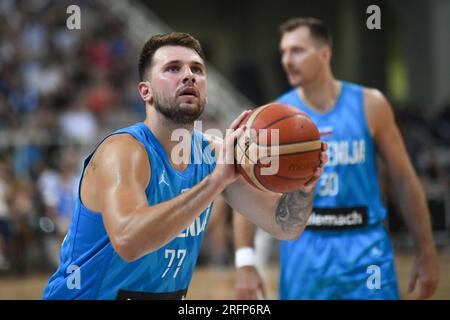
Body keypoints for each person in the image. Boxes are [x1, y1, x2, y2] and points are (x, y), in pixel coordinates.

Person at [42, 32, 327, 300]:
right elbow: (129, 241)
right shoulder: (123, 151)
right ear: (146, 91)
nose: (188, 75)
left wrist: (304, 187)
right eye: (173, 68)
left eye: (197, 70)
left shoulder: (212, 154)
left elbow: (284, 225)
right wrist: (215, 182)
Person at [233, 17, 439, 300]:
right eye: (283, 52)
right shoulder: (272, 116)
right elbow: (245, 186)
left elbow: (404, 180)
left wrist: (426, 251)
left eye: (297, 51)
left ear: (325, 53)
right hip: (304, 251)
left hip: (365, 248)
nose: (287, 60)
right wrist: (246, 262)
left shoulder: (371, 104)